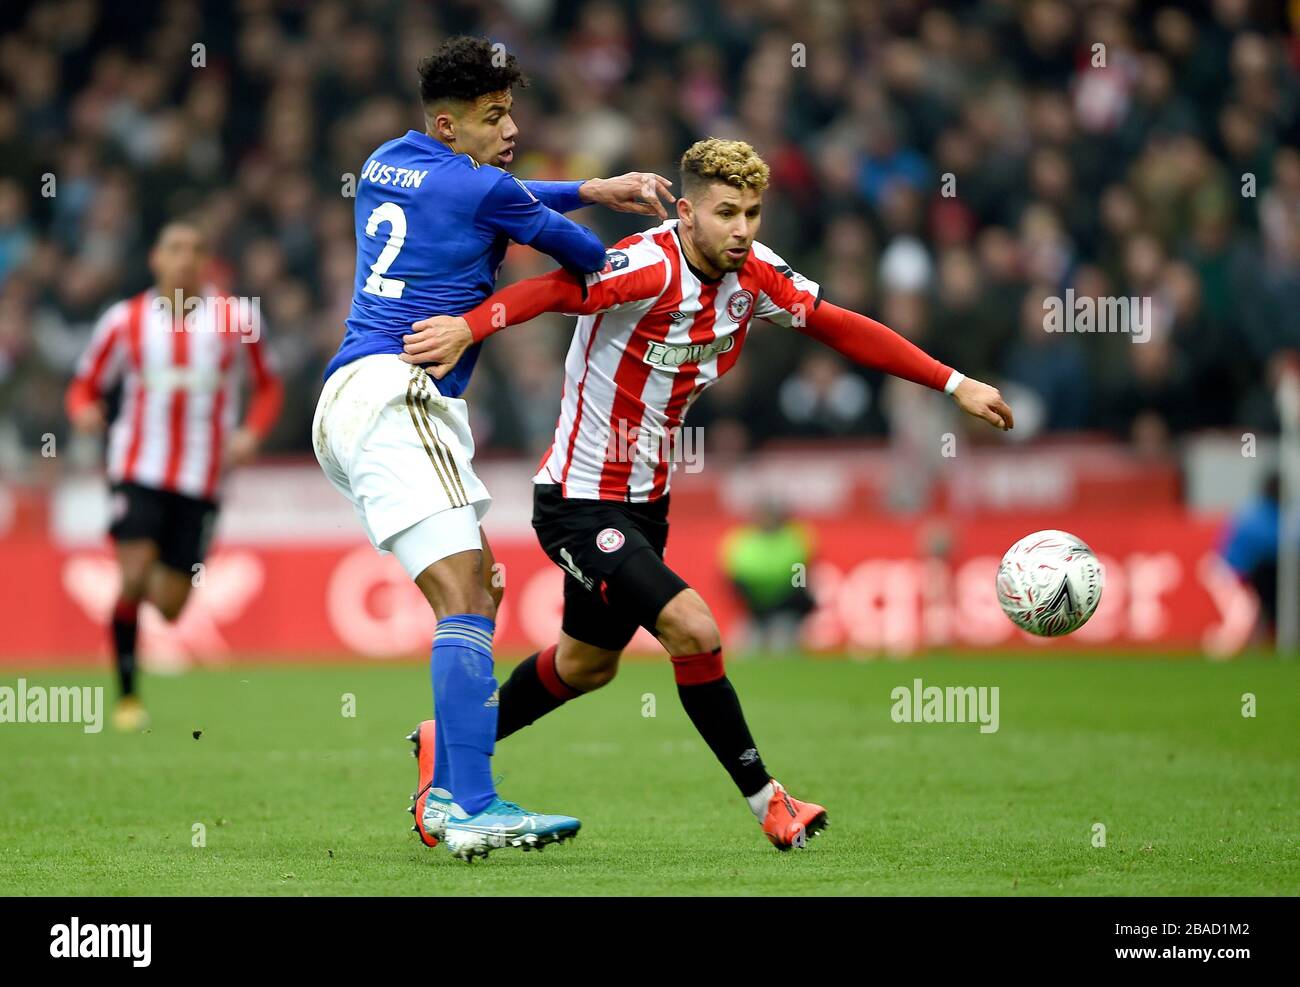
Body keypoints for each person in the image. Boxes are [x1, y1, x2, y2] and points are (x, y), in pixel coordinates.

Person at [400, 138, 1015, 850]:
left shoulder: (756, 276)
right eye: (727, 212)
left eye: (753, 211)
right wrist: (469, 326)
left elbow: (841, 326)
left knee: (585, 665)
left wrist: (954, 382)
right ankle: (770, 801)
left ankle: (447, 741)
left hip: (645, 505)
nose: (743, 227)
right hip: (577, 501)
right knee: (694, 628)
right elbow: (555, 290)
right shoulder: (646, 265)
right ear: (688, 213)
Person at [310, 36, 675, 861]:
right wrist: (628, 244)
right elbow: (583, 257)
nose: (509, 127)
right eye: (490, 117)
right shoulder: (480, 187)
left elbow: (495, 194)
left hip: (350, 397)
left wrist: (585, 186)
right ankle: (469, 801)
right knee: (468, 601)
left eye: (510, 111)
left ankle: (454, 796)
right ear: (448, 123)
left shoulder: (384, 163)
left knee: (480, 590)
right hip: (401, 392)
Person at [66, 220, 282, 731]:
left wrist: (252, 431)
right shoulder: (124, 320)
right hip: (136, 467)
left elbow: (269, 386)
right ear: (156, 260)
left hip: (203, 479)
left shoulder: (239, 318)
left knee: (169, 607)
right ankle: (126, 696)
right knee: (133, 573)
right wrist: (83, 412)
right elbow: (84, 385)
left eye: (196, 249)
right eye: (175, 249)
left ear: (207, 260)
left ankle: (144, 621)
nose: (186, 258)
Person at [721, 501, 817, 654]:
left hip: (785, 609)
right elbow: (733, 579)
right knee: (742, 648)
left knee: (782, 647)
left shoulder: (794, 538)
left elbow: (799, 578)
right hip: (752, 611)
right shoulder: (742, 539)